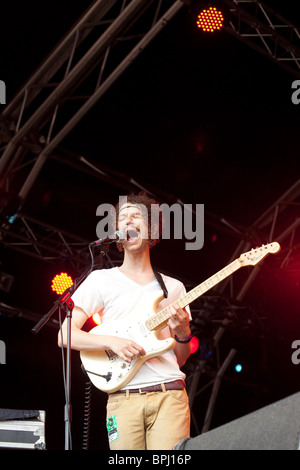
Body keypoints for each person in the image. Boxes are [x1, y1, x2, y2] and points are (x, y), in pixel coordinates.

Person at [58, 192, 192, 450]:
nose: (128, 221)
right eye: (122, 218)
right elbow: (65, 334)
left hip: (169, 395)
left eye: (136, 216)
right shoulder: (100, 280)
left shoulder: (173, 288)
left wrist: (183, 333)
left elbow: (182, 356)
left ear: (151, 228)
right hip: (122, 398)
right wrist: (114, 343)